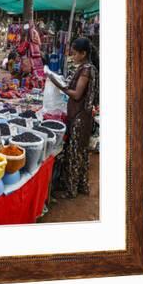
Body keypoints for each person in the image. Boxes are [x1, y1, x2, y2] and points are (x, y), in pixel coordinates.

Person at [49, 37, 99, 199]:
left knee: (74, 153)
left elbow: (77, 95)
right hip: (82, 117)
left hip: (80, 118)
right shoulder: (87, 68)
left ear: (83, 53)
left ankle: (71, 190)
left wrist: (60, 86)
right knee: (81, 153)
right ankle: (82, 185)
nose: (72, 56)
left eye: (75, 53)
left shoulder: (86, 69)